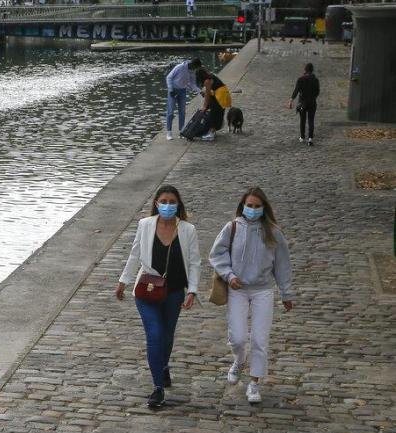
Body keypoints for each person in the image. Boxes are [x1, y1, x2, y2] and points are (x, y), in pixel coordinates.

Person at [116, 185, 201, 408]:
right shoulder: (145, 225)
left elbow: (194, 262)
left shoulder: (187, 230)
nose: (167, 205)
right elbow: (135, 253)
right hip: (147, 290)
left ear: (178, 205)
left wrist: (192, 290)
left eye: (172, 202)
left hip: (173, 292)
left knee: (167, 335)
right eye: (164, 201)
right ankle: (158, 388)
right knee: (155, 333)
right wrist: (123, 281)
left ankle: (163, 366)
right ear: (156, 203)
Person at [209, 187, 293, 404]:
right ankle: (239, 360)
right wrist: (228, 275)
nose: (253, 209)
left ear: (264, 208)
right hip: (237, 289)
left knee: (259, 339)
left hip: (263, 290)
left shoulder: (273, 232)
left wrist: (286, 292)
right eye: (249, 205)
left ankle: (254, 383)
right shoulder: (232, 227)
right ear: (242, 205)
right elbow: (216, 254)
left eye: (257, 206)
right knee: (237, 337)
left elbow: (282, 264)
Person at [165, 58, 202, 140]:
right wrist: (171, 90)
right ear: (192, 64)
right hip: (173, 90)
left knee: (182, 112)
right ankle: (169, 132)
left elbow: (192, 84)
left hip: (182, 91)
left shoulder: (192, 71)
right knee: (170, 112)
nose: (195, 70)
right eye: (195, 67)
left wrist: (200, 91)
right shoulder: (179, 67)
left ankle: (181, 131)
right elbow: (169, 77)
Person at [288, 63, 320, 146]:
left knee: (302, 120)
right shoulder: (315, 80)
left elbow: (296, 90)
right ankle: (310, 139)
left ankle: (302, 137)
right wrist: (313, 97)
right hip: (312, 103)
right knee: (311, 120)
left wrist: (291, 100)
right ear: (312, 70)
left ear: (305, 70)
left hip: (302, 103)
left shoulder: (300, 79)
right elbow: (317, 92)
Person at [195, 67, 231, 141]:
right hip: (223, 93)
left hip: (220, 96)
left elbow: (207, 96)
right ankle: (215, 128)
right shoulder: (211, 76)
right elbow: (212, 90)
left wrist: (204, 107)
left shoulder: (207, 81)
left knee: (213, 113)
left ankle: (211, 133)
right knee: (217, 111)